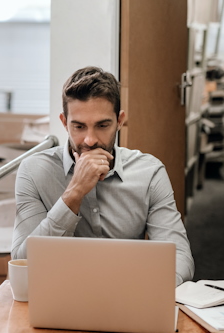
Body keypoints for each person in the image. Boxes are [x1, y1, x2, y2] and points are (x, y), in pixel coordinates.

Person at [11, 66, 195, 286]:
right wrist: (74, 194)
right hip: (60, 293)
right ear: (64, 123)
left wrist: (147, 290)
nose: (90, 140)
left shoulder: (150, 172)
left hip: (130, 293)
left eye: (102, 125)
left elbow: (180, 258)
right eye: (78, 126)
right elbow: (23, 263)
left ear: (119, 121)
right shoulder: (33, 171)